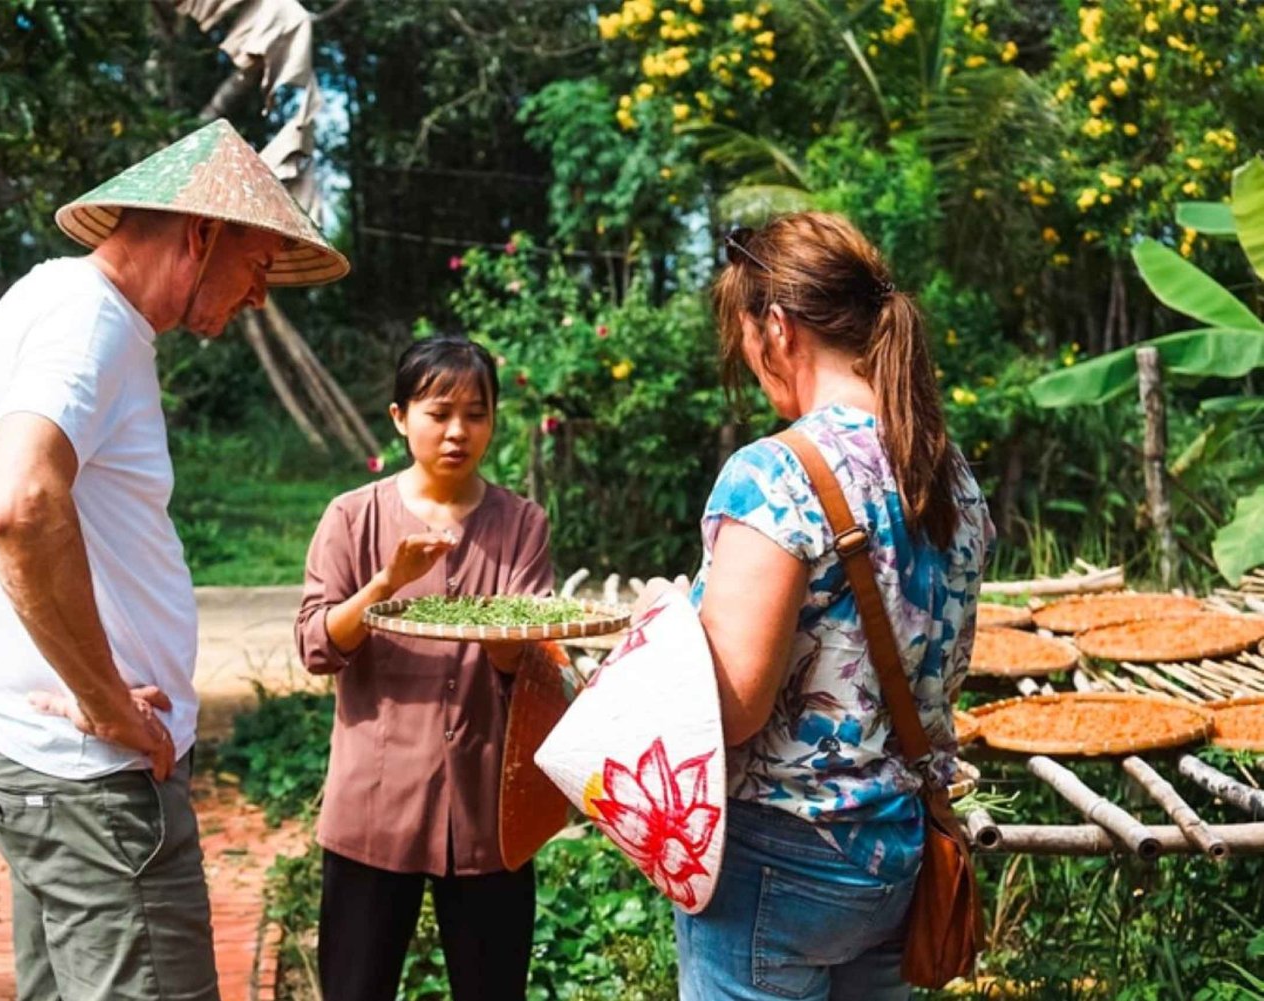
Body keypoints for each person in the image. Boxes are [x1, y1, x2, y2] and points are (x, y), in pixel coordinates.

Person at [0, 119, 348, 1001]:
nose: (258, 296)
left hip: (32, 756)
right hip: (92, 782)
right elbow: (14, 502)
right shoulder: (89, 323)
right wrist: (103, 701)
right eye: (258, 265)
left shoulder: (39, 300)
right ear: (201, 233)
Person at [640, 212, 994, 1000]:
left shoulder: (775, 473)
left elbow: (731, 709)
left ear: (777, 324)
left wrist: (663, 625)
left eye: (747, 347)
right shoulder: (951, 472)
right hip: (897, 851)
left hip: (779, 856)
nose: (756, 372)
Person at [296, 336, 552, 1001]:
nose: (458, 431)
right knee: (355, 989)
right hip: (372, 808)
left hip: (486, 812)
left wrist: (510, 637)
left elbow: (527, 661)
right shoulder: (352, 516)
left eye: (477, 412)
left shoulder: (521, 523)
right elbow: (317, 645)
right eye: (438, 412)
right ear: (399, 416)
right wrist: (386, 581)